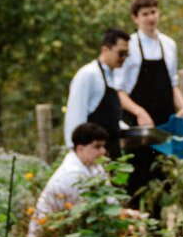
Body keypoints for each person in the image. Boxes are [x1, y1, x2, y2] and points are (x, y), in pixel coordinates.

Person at [120, 0, 183, 201]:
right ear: (135, 18)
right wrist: (139, 111)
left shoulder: (169, 44)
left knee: (165, 177)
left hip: (163, 121)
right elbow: (119, 91)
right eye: (145, 14)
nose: (151, 18)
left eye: (154, 12)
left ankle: (162, 230)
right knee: (137, 179)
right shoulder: (129, 46)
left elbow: (172, 84)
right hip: (138, 124)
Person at [64, 28, 153, 157]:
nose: (123, 58)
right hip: (93, 154)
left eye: (126, 54)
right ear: (105, 49)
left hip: (111, 150)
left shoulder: (113, 76)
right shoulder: (88, 75)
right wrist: (76, 154)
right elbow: (75, 116)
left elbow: (110, 118)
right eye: (120, 53)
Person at [27, 122, 111, 237]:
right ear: (80, 148)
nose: (103, 151)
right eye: (97, 147)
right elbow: (87, 213)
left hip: (71, 229)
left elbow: (110, 202)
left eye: (103, 146)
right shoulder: (71, 174)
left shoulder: (95, 166)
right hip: (48, 236)